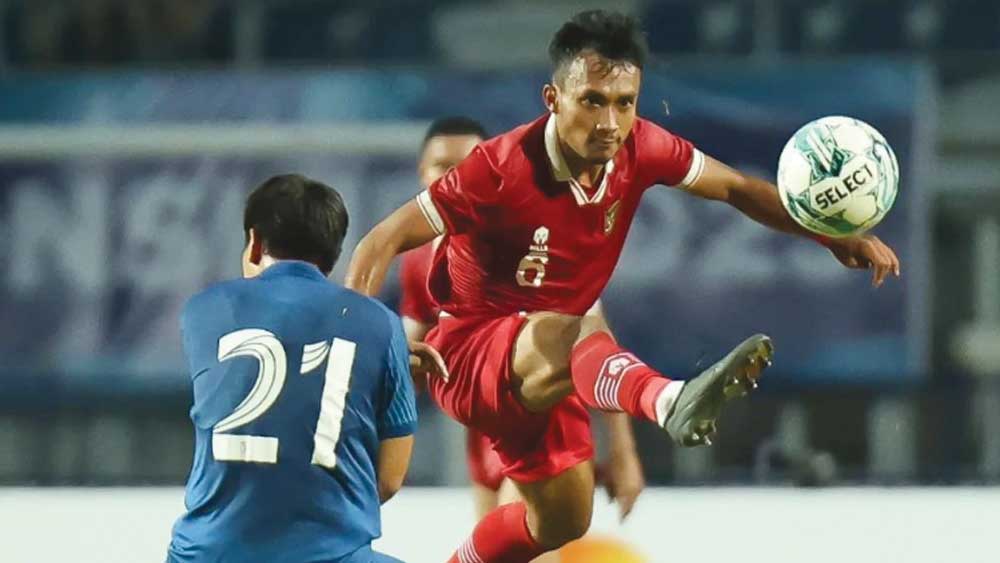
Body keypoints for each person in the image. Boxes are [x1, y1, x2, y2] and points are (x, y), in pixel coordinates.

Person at [347, 10, 900, 562]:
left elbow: (735, 187)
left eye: (625, 102)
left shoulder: (643, 148)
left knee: (562, 519)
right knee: (570, 329)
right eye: (592, 101)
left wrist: (829, 235)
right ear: (553, 98)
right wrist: (353, 349)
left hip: (551, 366)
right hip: (470, 353)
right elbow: (379, 241)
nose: (610, 122)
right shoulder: (498, 168)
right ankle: (667, 399)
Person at [399, 118, 645, 529]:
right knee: (494, 547)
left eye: (467, 164)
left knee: (524, 545)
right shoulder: (419, 260)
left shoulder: (536, 233)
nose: (454, 177)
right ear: (423, 174)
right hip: (484, 434)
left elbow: (595, 340)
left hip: (543, 426)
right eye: (442, 166)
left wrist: (622, 451)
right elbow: (411, 363)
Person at [168, 174, 417, 563]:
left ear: (254, 242)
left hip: (206, 555)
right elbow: (389, 478)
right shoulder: (382, 325)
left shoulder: (202, 310)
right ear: (333, 253)